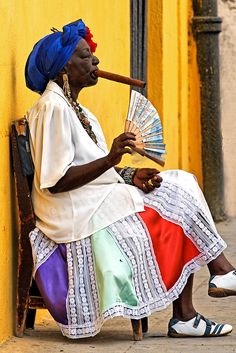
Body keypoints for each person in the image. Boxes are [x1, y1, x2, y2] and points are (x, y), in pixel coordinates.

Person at [25, 19, 236, 340]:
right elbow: (56, 181)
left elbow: (90, 166)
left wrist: (128, 174)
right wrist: (112, 159)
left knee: (179, 184)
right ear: (63, 68)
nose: (95, 61)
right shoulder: (51, 108)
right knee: (176, 194)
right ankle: (211, 284)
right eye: (84, 56)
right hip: (72, 214)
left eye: (92, 55)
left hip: (91, 200)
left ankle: (202, 296)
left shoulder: (77, 109)